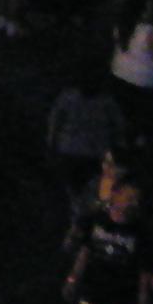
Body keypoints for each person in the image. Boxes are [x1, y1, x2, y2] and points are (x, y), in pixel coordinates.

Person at [65, 180, 153, 304]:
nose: (133, 203)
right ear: (115, 195)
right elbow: (85, 251)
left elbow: (144, 274)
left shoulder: (141, 232)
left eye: (136, 200)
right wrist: (73, 278)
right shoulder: (97, 219)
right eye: (129, 197)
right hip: (93, 298)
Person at [49, 65, 131, 212]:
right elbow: (119, 126)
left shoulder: (70, 97)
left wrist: (52, 142)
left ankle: (79, 212)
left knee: (76, 188)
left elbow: (55, 121)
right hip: (91, 153)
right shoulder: (105, 102)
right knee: (88, 188)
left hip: (75, 151)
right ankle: (84, 212)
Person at [111, 0, 153, 142]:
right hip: (143, 84)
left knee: (125, 116)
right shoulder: (150, 33)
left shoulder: (121, 25)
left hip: (119, 76)